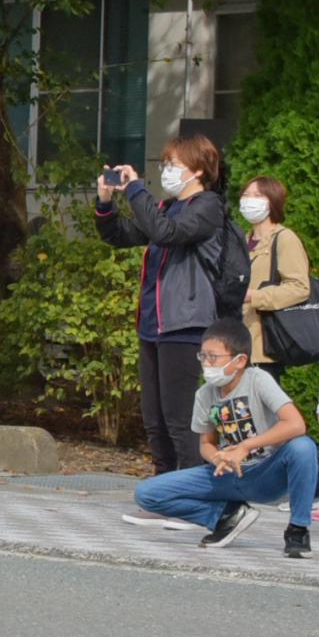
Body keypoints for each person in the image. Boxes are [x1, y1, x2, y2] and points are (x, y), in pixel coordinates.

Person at [95, 133, 231, 479]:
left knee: (178, 414)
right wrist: (106, 202)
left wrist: (137, 190)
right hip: (153, 324)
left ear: (198, 171)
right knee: (153, 415)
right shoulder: (169, 208)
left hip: (185, 323)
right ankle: (164, 487)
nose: (167, 171)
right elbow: (120, 235)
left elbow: (166, 233)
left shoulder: (208, 206)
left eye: (173, 165)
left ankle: (191, 488)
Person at [133, 319, 319, 557]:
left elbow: (296, 424)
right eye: (203, 356)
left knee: (303, 447)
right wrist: (217, 458)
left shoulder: (257, 380)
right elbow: (206, 444)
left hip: (264, 472)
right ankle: (225, 516)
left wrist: (245, 446)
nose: (206, 364)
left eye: (214, 357)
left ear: (240, 360)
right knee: (147, 494)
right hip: (226, 473)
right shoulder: (204, 394)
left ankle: (298, 529)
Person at [236, 175, 311, 379]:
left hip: (265, 344)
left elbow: (299, 287)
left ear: (272, 201)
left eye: (257, 195)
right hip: (238, 342)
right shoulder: (243, 240)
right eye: (246, 194)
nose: (249, 200)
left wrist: (255, 296)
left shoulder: (284, 238)